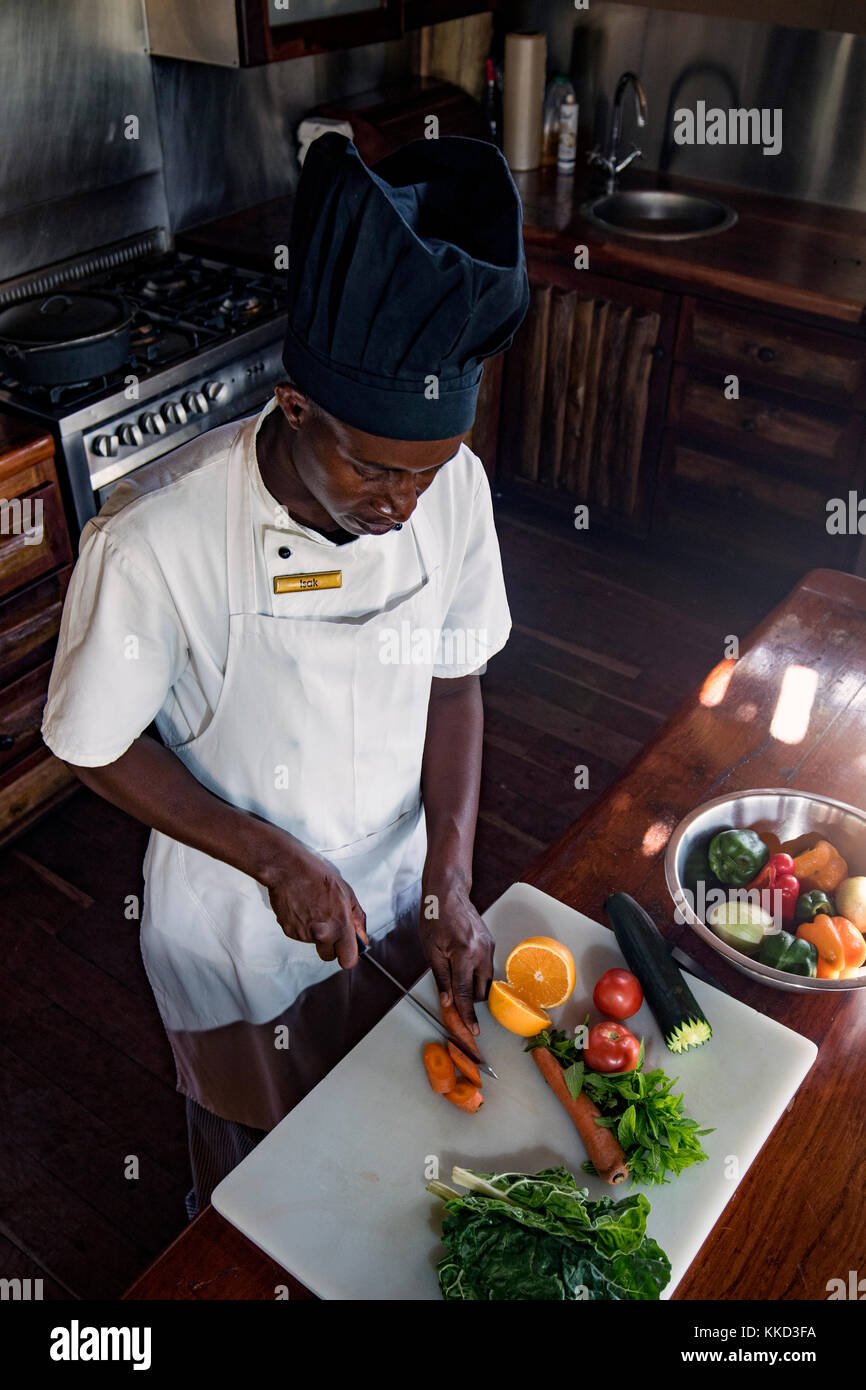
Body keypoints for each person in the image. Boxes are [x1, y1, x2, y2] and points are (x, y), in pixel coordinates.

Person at [41, 132, 530, 1215]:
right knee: (261, 1190)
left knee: (390, 1164)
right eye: (376, 466)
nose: (403, 504)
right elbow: (90, 743)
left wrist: (448, 874)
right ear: (295, 405)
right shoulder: (158, 535)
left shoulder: (451, 493)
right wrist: (273, 859)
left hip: (399, 896)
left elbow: (455, 681)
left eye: (428, 470)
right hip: (239, 927)